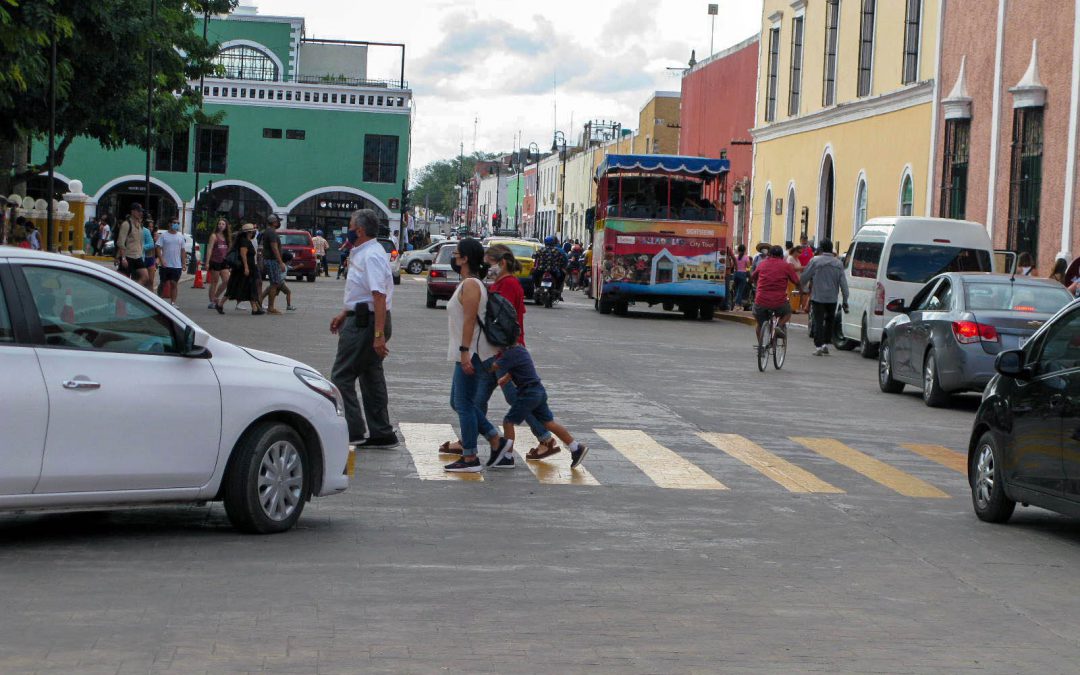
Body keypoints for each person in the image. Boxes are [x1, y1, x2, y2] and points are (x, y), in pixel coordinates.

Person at [439, 244, 560, 462]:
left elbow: (499, 323)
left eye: (491, 262)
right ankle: (487, 441)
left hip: (503, 352)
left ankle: (539, 439)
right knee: (472, 401)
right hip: (497, 352)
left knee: (502, 400)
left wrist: (500, 357)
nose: (488, 267)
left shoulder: (508, 285)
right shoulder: (498, 283)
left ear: (501, 263)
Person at [329, 209, 398, 449]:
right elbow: (363, 294)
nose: (347, 230)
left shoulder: (370, 256)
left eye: (350, 225)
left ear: (358, 230)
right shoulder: (364, 253)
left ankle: (354, 429)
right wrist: (344, 312)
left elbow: (378, 296)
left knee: (341, 376)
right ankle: (381, 432)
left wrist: (378, 335)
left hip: (367, 323)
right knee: (370, 374)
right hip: (361, 317)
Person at [441, 237, 511, 473]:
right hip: (470, 352)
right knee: (459, 401)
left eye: (457, 254)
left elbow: (470, 320)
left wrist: (464, 353)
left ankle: (470, 457)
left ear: (466, 258)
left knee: (463, 403)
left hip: (474, 353)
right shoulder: (469, 283)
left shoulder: (471, 284)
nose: (454, 257)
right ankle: (495, 440)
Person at [493, 343, 589, 470]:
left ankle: (507, 457)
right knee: (548, 423)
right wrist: (506, 377)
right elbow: (516, 368)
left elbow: (493, 367)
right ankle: (576, 447)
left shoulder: (509, 354)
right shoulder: (520, 350)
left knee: (508, 422)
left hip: (528, 394)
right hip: (538, 391)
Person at [800, 239, 850, 356]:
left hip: (818, 297)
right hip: (832, 298)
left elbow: (805, 277)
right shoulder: (838, 263)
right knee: (829, 321)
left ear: (821, 249)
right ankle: (825, 344)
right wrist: (845, 299)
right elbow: (843, 284)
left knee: (818, 321)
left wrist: (803, 288)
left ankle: (818, 346)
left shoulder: (815, 261)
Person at [750, 245, 799, 340]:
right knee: (787, 312)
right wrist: (800, 290)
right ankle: (779, 326)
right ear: (781, 255)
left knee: (759, 324)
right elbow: (796, 281)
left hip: (761, 301)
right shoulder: (786, 266)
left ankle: (761, 347)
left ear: (769, 254)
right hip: (779, 302)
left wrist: (757, 284)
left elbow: (753, 277)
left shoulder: (762, 264)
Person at [224, 223, 263, 315]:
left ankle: (255, 308)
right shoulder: (244, 241)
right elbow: (243, 255)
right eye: (253, 231)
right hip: (244, 268)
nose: (254, 232)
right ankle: (221, 304)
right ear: (249, 232)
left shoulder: (247, 240)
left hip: (249, 267)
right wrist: (246, 267)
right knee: (236, 286)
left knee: (250, 287)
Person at [115, 203, 151, 288]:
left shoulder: (139, 225)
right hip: (128, 256)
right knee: (123, 282)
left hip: (137, 256)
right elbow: (121, 242)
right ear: (133, 212)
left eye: (141, 212)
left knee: (145, 277)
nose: (140, 213)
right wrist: (122, 258)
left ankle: (132, 291)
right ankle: (123, 295)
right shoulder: (126, 224)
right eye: (138, 211)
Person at [156, 220, 187, 307]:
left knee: (174, 283)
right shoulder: (164, 235)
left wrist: (183, 263)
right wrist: (161, 259)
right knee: (163, 282)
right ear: (169, 224)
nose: (176, 224)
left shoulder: (180, 236)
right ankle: (159, 301)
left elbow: (183, 250)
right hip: (165, 264)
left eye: (178, 223)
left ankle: (173, 303)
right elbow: (158, 247)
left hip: (176, 265)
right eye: (174, 222)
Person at [259, 215, 286, 314]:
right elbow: (274, 248)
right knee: (274, 284)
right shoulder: (271, 232)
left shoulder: (268, 231)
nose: (279, 223)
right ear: (274, 222)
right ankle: (270, 307)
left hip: (270, 260)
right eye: (278, 222)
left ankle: (259, 300)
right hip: (272, 261)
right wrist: (281, 262)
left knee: (274, 283)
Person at [206, 218, 231, 312]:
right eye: (219, 224)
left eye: (223, 224)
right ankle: (212, 301)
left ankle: (216, 296)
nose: (221, 225)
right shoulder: (214, 236)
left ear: (226, 226)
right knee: (214, 282)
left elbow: (228, 250)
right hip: (215, 261)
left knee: (227, 281)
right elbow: (210, 249)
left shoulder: (227, 237)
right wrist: (207, 262)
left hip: (224, 262)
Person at [731, 244, 751, 310]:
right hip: (743, 274)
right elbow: (748, 266)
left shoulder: (735, 257)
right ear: (744, 250)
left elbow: (732, 265)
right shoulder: (746, 257)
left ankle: (737, 304)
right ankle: (737, 304)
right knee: (740, 291)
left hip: (736, 274)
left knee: (736, 290)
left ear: (738, 250)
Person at [786, 245, 804, 312]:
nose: (799, 254)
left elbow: (798, 268)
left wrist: (801, 269)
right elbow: (792, 269)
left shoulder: (797, 259)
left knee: (796, 293)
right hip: (791, 279)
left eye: (801, 252)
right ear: (795, 251)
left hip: (797, 278)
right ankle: (791, 308)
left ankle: (794, 308)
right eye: (799, 252)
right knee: (792, 293)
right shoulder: (790, 258)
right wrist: (802, 267)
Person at [143, 218, 158, 291]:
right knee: (143, 280)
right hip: (143, 258)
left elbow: (155, 250)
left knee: (151, 281)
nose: (151, 228)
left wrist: (155, 261)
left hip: (151, 259)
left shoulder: (154, 236)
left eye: (152, 227)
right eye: (149, 227)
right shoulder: (143, 234)